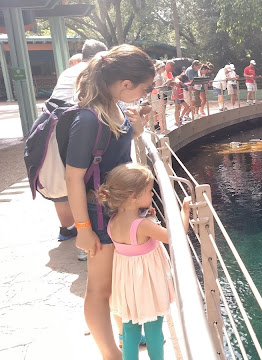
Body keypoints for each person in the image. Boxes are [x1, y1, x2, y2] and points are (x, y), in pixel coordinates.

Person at [65, 44, 155, 360]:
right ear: (125, 84)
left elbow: (114, 148)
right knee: (100, 289)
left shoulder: (113, 108)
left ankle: (121, 332)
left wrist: (136, 127)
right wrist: (83, 228)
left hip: (117, 210)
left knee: (118, 282)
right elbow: (73, 178)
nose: (145, 94)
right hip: (98, 216)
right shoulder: (88, 119)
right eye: (143, 89)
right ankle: (110, 353)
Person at [97, 163, 191, 360]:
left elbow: (132, 229)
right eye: (149, 191)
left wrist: (144, 213)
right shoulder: (143, 225)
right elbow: (176, 236)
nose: (152, 195)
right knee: (154, 329)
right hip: (148, 284)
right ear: (133, 196)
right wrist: (184, 212)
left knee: (130, 330)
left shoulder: (113, 220)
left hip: (126, 285)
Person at [48, 39, 108, 258]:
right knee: (83, 180)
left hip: (54, 130)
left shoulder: (67, 71)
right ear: (102, 55)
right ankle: (86, 242)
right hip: (77, 128)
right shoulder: (98, 69)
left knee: (66, 180)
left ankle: (67, 229)